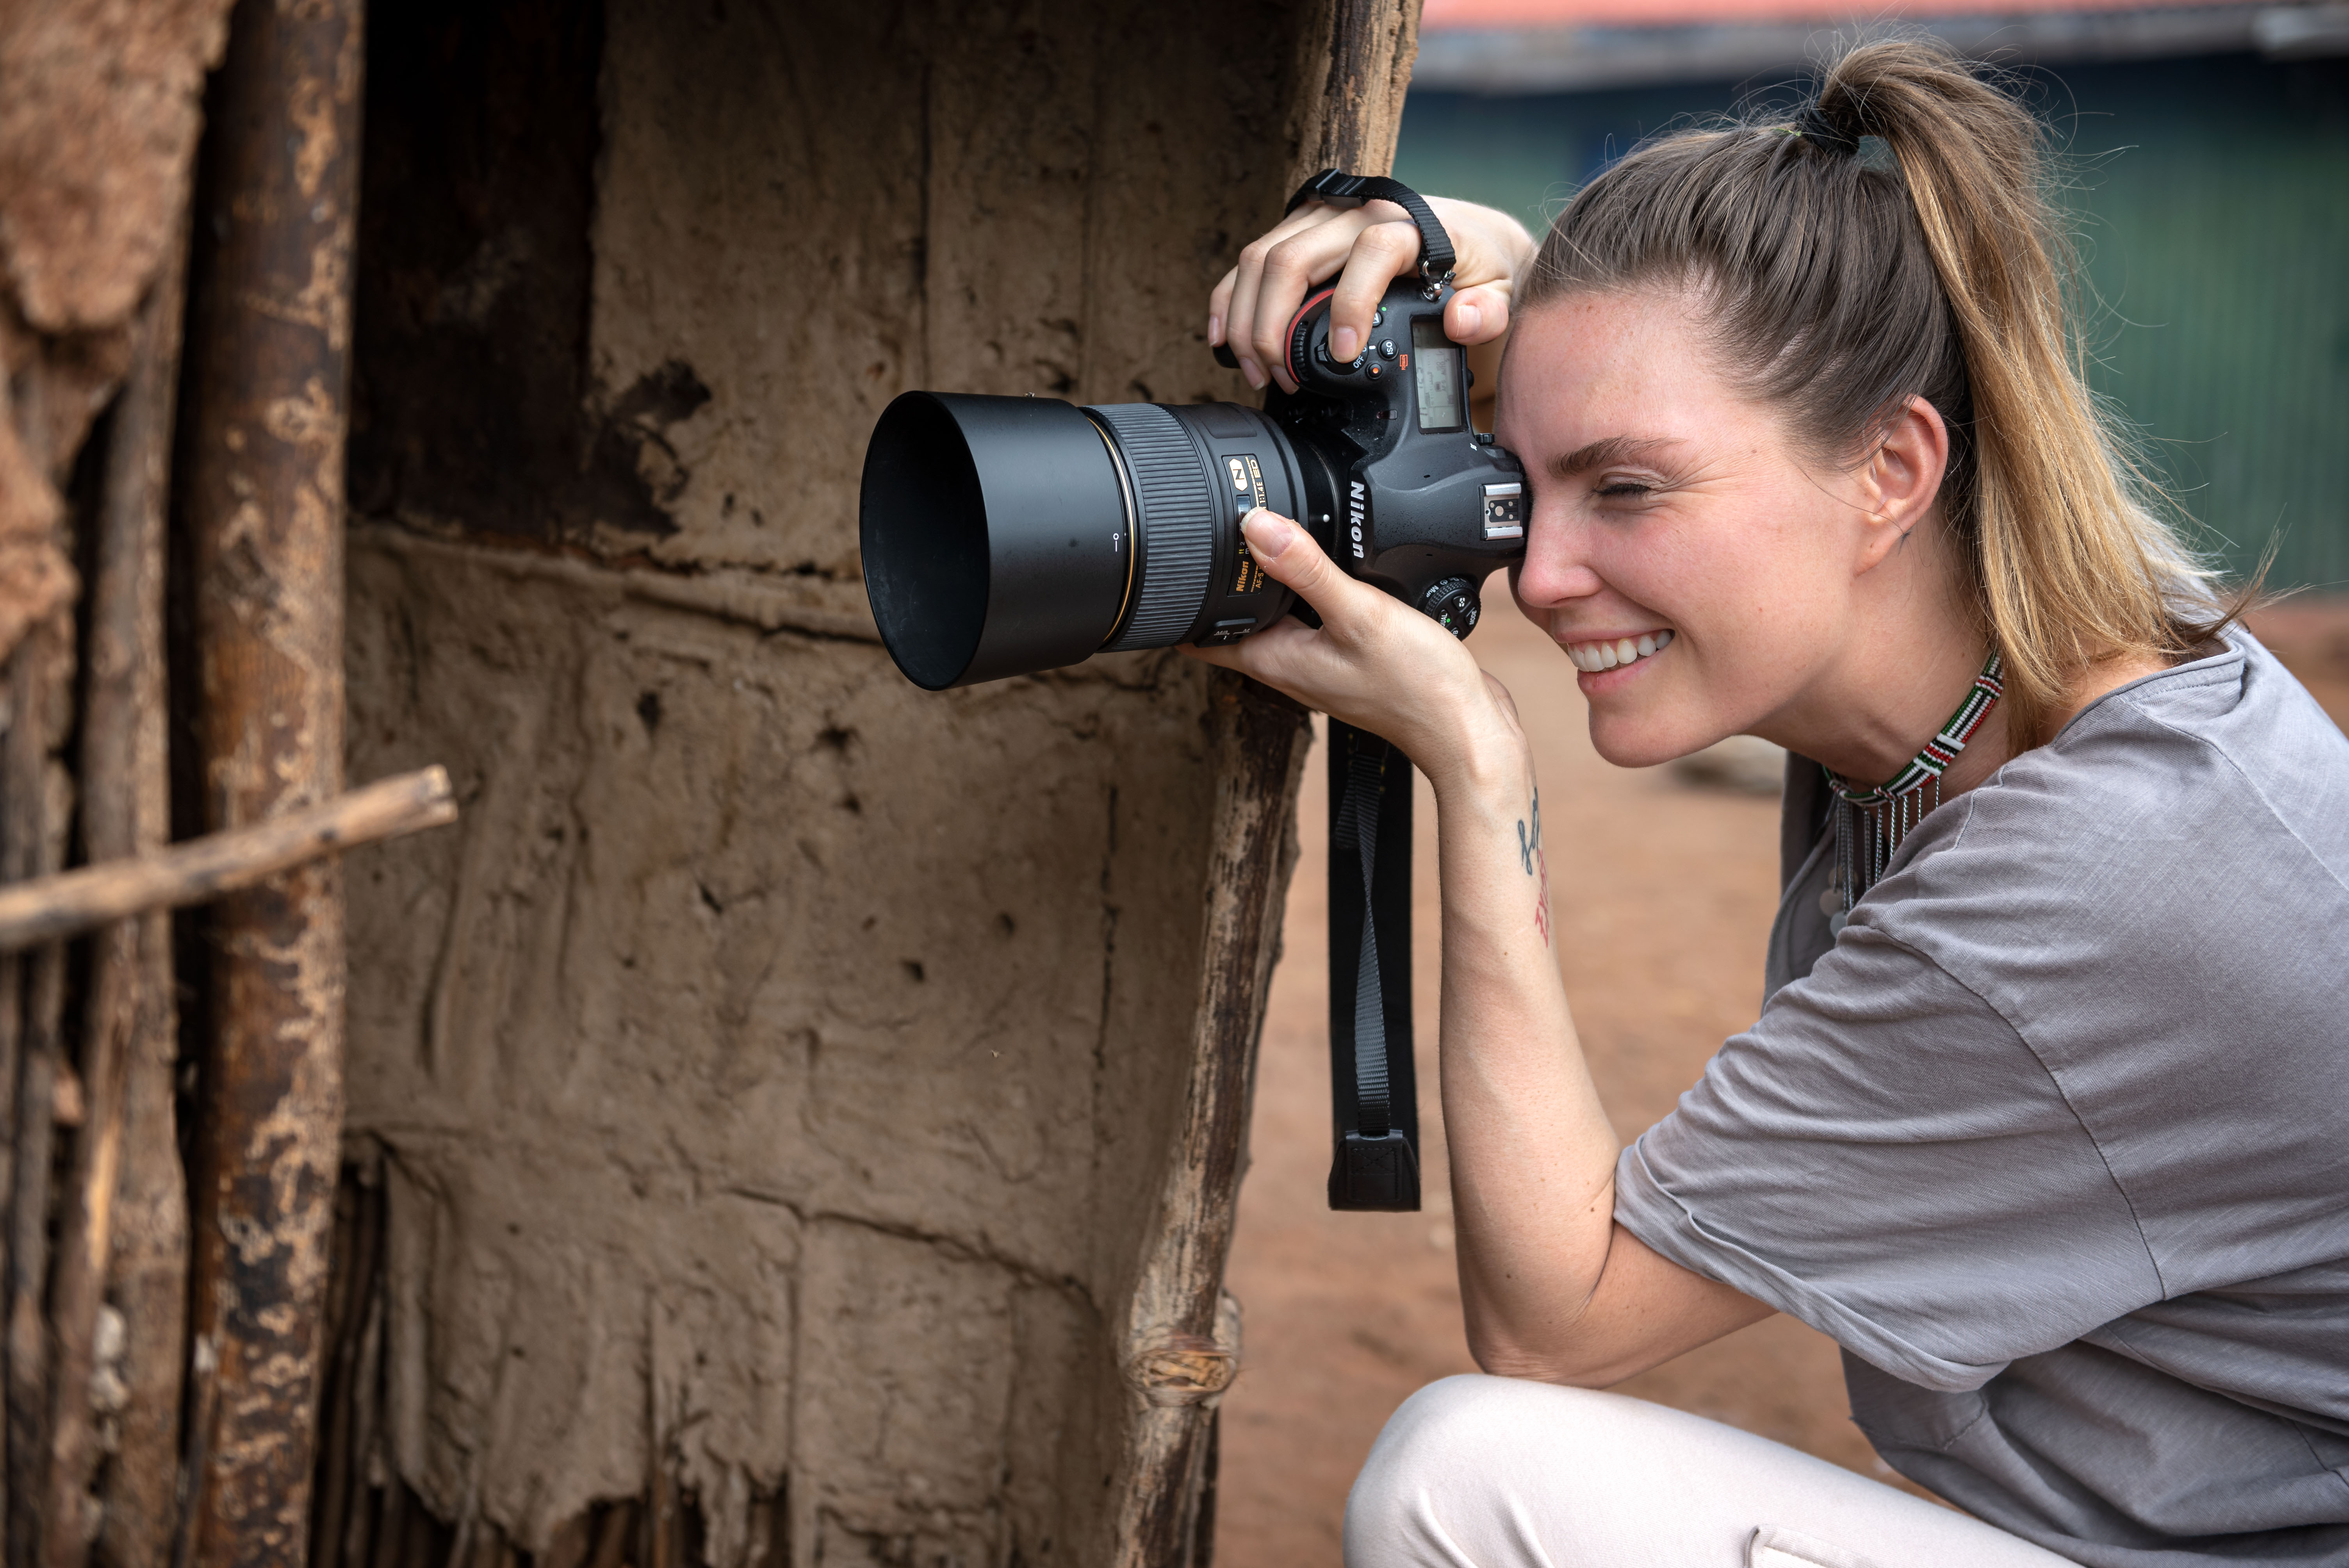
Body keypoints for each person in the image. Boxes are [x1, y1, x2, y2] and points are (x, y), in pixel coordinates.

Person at [1195, 36, 2349, 1568]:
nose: (1537, 577)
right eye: (1528, 484)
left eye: (1626, 490)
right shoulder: (2033, 644)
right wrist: (1496, 286)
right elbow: (1730, 411)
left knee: (1469, 1471)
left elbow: (1560, 1314)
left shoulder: (2092, 879)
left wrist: (1475, 770)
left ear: (1892, 468)